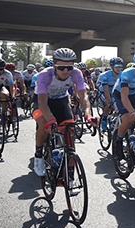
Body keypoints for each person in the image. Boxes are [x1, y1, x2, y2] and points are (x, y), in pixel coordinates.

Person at [32, 48, 92, 183]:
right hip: (41, 101)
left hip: (61, 100)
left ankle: (70, 176)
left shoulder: (76, 74)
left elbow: (83, 97)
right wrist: (51, 120)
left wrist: (88, 115)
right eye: (61, 67)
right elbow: (42, 102)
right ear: (54, 65)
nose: (66, 71)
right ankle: (38, 156)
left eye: (69, 67)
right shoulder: (44, 75)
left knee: (70, 133)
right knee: (44, 124)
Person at [96, 57, 124, 127]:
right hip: (104, 92)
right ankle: (104, 118)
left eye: (120, 66)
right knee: (109, 104)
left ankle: (116, 120)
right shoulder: (104, 75)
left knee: (120, 107)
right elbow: (105, 89)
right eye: (117, 66)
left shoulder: (123, 74)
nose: (119, 68)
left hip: (115, 92)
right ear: (112, 66)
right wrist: (109, 100)